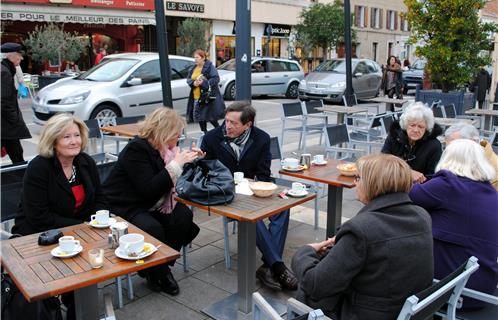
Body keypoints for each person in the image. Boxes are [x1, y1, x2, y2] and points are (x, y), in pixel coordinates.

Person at [291, 154, 433, 319]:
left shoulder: (361, 230)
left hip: (368, 314)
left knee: (307, 292)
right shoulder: (422, 216)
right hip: (408, 310)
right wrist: (345, 242)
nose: (355, 183)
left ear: (373, 184)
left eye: (358, 178)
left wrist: (305, 251)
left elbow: (315, 284)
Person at [12, 113, 107, 319]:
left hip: (78, 233)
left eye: (76, 135)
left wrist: (95, 221)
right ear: (53, 141)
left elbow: (100, 197)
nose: (74, 141)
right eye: (66, 137)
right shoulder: (39, 167)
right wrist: (82, 227)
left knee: (94, 263)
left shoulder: (85, 162)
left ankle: (78, 311)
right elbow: (39, 217)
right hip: (39, 237)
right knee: (77, 270)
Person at [200, 101, 298, 291]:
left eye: (234, 123)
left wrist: (254, 187)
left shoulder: (261, 138)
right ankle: (277, 267)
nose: (227, 126)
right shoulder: (211, 138)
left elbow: (263, 173)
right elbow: (206, 171)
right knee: (254, 218)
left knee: (282, 208)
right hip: (224, 194)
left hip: (253, 190)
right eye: (226, 121)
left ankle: (268, 266)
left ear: (248, 125)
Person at [102, 107, 201, 296]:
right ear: (164, 133)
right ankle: (161, 273)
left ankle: (155, 267)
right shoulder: (137, 149)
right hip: (125, 204)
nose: (178, 139)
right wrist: (176, 165)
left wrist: (192, 160)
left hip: (153, 201)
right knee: (152, 228)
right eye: (176, 135)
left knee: (183, 215)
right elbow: (148, 189)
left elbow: (171, 180)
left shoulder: (166, 150)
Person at [409, 139, 498, 309]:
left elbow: (405, 194)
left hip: (456, 291)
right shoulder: (490, 192)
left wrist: (408, 173)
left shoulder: (448, 185)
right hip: (483, 284)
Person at [381, 102, 443, 183]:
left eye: (421, 126)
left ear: (427, 128)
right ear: (406, 125)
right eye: (412, 125)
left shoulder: (434, 145)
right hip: (392, 183)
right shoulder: (394, 137)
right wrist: (408, 172)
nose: (416, 130)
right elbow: (382, 162)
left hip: (420, 188)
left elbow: (432, 176)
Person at [1, 42, 31, 164]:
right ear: (11, 57)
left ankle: (21, 176)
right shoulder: (4, 72)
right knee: (16, 153)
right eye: (19, 55)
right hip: (6, 124)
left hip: (6, 125)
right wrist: (15, 120)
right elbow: (3, 101)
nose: (22, 58)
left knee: (17, 152)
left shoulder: (5, 69)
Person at [444, 123, 498, 190]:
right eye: (447, 148)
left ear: (473, 143)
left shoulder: (494, 166)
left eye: (455, 148)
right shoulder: (460, 159)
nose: (449, 153)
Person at [186, 49, 225, 134]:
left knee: (210, 117)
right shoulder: (194, 68)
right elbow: (189, 79)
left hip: (207, 96)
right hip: (196, 96)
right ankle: (205, 133)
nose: (195, 59)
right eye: (194, 57)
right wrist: (193, 83)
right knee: (200, 117)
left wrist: (203, 83)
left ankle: (220, 132)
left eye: (197, 57)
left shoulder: (209, 67)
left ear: (203, 58)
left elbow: (215, 78)